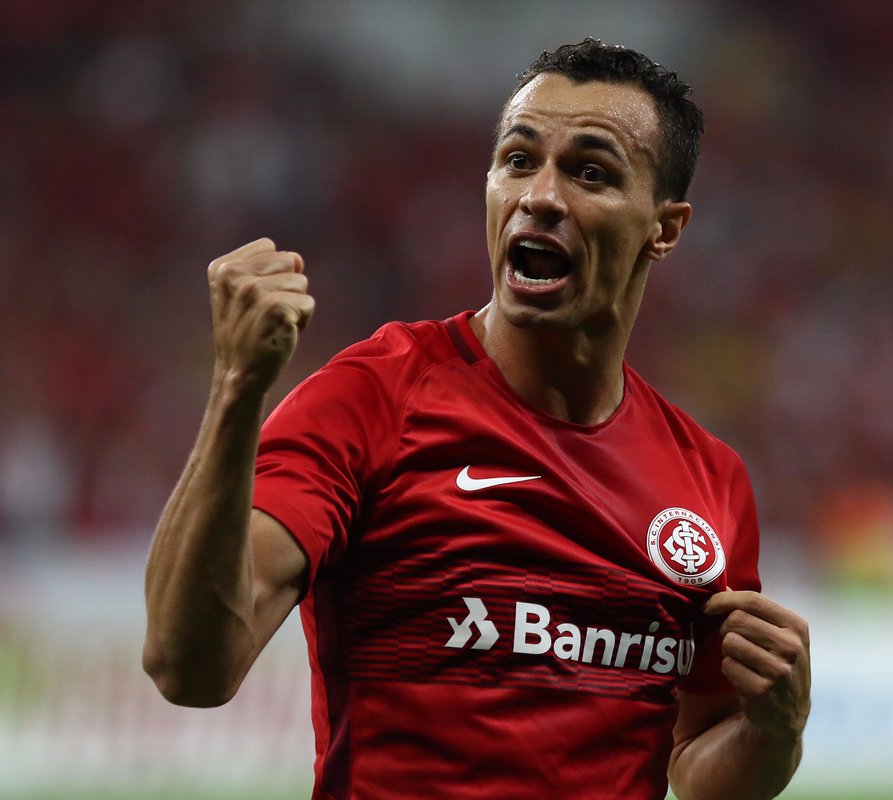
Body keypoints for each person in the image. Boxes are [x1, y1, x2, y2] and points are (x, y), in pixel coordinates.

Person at [143, 38, 810, 800]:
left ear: (666, 228)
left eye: (590, 172)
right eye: (518, 161)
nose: (540, 196)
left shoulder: (710, 481)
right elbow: (189, 666)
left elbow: (695, 765)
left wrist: (775, 731)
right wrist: (237, 387)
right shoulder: (373, 399)